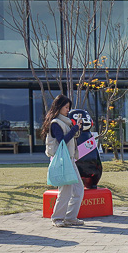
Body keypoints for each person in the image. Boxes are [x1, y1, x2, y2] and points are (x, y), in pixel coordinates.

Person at [41, 94, 83, 227]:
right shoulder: (55, 124)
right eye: (66, 107)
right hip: (62, 161)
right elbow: (63, 141)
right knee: (65, 190)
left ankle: (70, 217)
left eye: (68, 107)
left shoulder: (65, 122)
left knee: (78, 189)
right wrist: (75, 129)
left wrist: (75, 129)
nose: (68, 110)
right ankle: (57, 218)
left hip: (70, 159)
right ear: (59, 108)